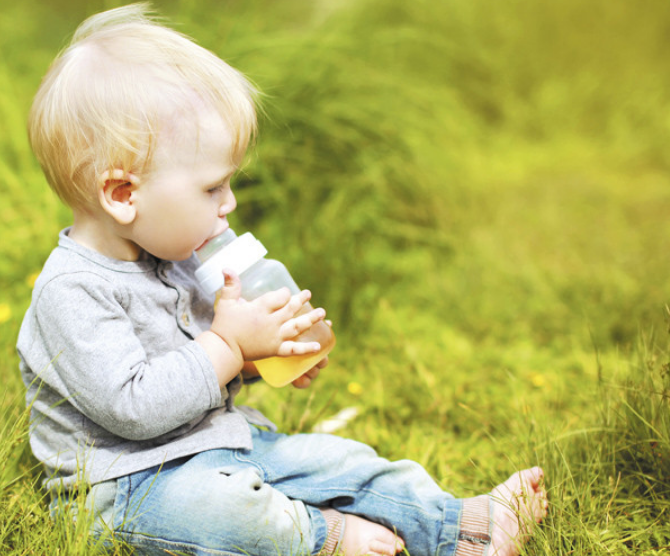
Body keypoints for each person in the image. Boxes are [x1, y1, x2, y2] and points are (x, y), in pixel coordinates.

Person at [18, 4, 548, 555]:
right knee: (227, 512)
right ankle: (326, 536)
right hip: (127, 487)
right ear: (123, 195)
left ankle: (466, 525)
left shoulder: (172, 256)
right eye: (211, 188)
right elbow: (136, 408)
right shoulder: (70, 291)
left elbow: (201, 370)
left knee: (339, 461)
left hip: (215, 444)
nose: (230, 203)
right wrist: (226, 344)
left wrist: (254, 357)